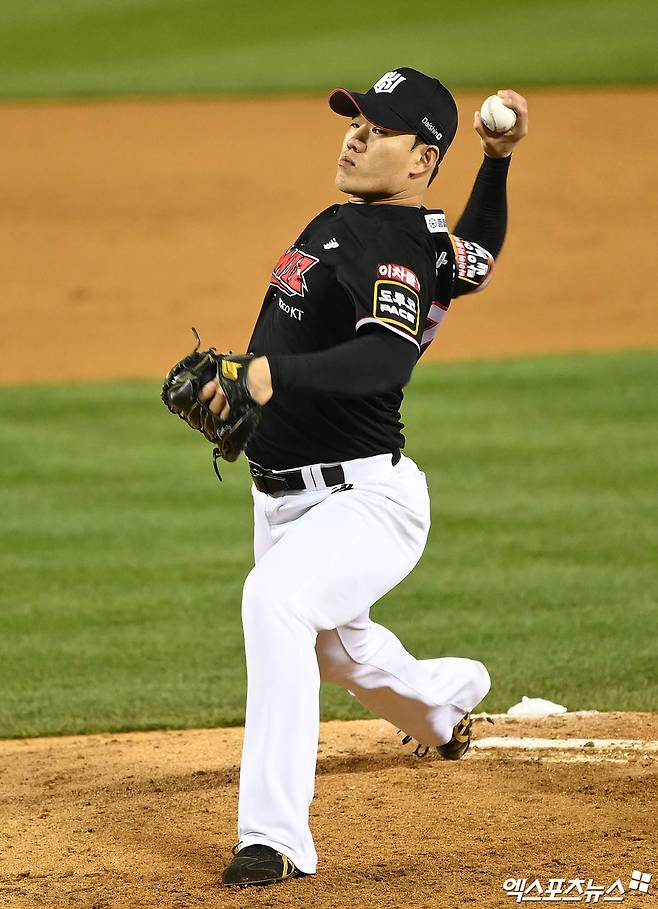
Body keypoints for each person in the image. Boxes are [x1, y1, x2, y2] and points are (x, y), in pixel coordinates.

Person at [199, 67, 528, 887]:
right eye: (354, 120)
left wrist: (271, 375)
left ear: (421, 158)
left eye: (376, 129)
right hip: (288, 498)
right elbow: (478, 256)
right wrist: (495, 163)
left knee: (274, 600)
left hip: (363, 500)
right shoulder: (391, 228)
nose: (354, 134)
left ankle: (274, 838)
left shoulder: (390, 245)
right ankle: (446, 707)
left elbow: (384, 357)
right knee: (342, 652)